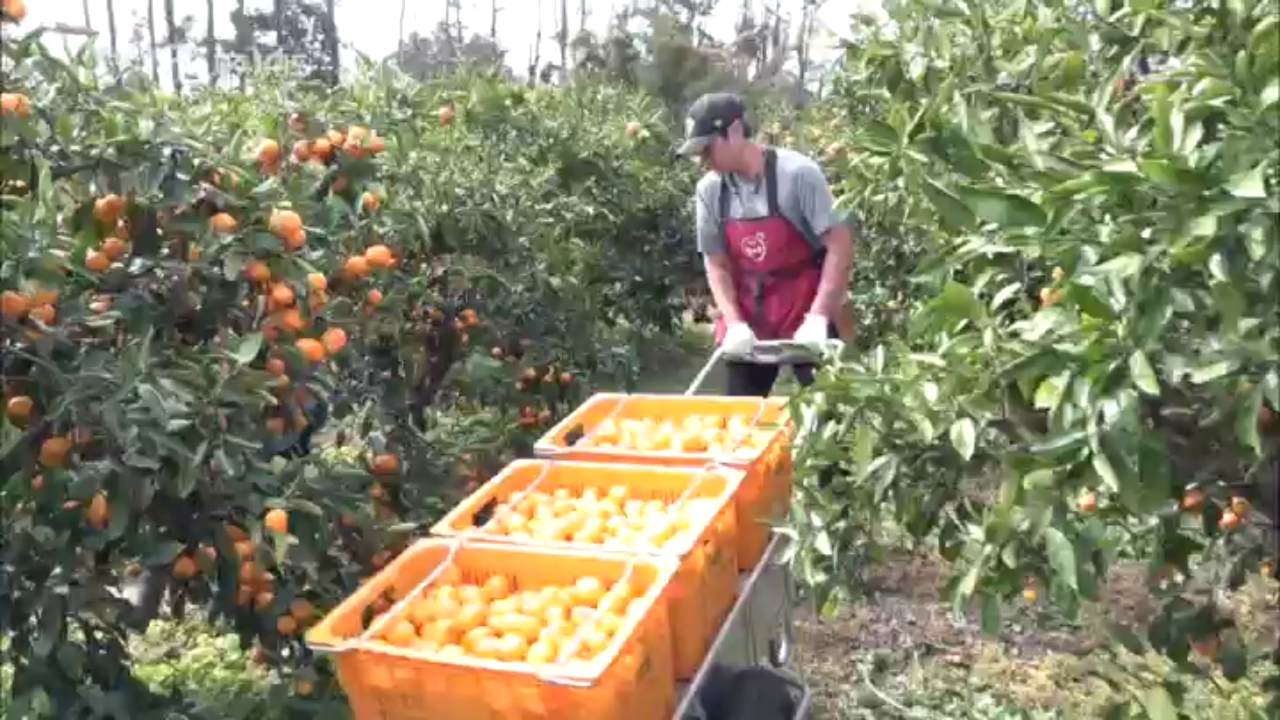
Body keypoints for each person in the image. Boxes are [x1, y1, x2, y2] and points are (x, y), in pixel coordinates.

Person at [677, 92, 856, 398]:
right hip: (751, 311)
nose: (703, 160)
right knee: (738, 419)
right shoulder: (710, 191)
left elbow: (839, 246)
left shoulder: (798, 174)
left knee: (830, 414)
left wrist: (819, 316)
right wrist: (734, 323)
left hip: (804, 302)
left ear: (734, 132)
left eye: (708, 148)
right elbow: (716, 262)